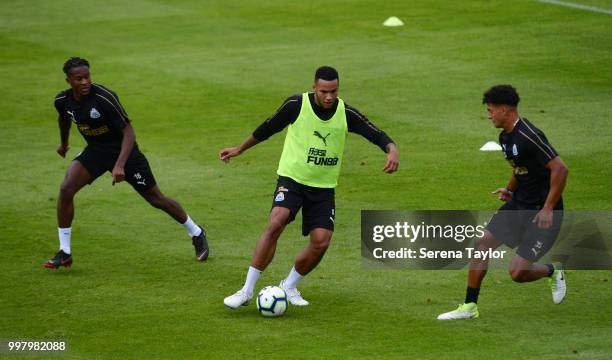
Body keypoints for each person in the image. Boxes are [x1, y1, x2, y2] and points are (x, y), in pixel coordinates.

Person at [220, 66, 399, 308]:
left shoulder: (345, 113)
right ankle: (246, 290)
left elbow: (375, 133)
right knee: (276, 222)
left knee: (321, 241)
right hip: (292, 179)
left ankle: (289, 286)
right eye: (324, 91)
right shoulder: (295, 104)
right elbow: (268, 127)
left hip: (323, 187)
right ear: (314, 87)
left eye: (333, 91)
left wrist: (392, 149)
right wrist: (240, 149)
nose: (329, 97)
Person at [44, 57, 209, 269]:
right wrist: (64, 143)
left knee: (156, 198)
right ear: (69, 81)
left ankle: (196, 232)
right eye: (79, 78)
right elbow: (64, 118)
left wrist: (120, 165)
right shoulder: (62, 100)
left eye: (87, 77)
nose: (85, 82)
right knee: (66, 189)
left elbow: (128, 132)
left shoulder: (104, 98)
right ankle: (64, 252)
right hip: (95, 152)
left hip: (126, 153)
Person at [437, 85, 569, 320]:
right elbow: (520, 168)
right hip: (519, 205)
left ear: (505, 110)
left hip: (542, 211)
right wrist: (509, 189)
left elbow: (560, 168)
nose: (488, 115)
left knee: (517, 273)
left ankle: (552, 270)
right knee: (481, 245)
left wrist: (549, 208)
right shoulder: (505, 135)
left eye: (491, 110)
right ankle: (469, 306)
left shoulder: (529, 135)